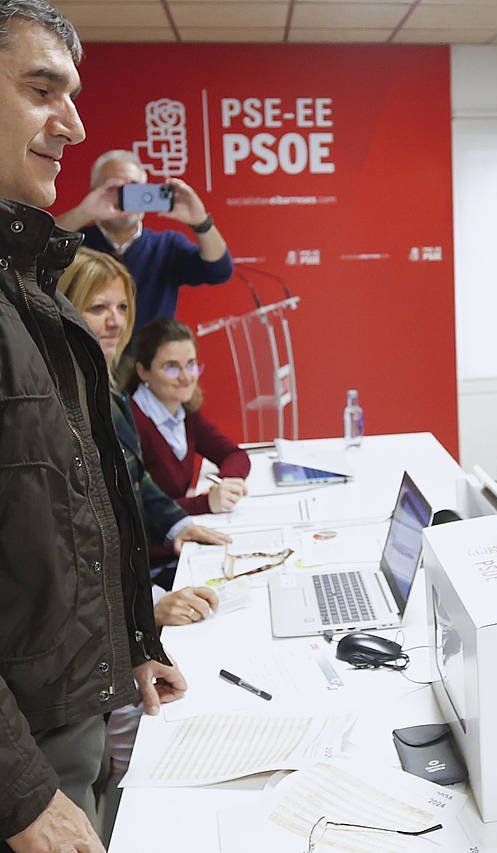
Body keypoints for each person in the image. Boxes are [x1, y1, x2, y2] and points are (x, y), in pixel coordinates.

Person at [0, 3, 187, 851]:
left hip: (72, 734)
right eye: (43, 90)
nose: (72, 123)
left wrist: (134, 638)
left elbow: (70, 516)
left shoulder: (35, 293)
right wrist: (21, 792)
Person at [58, 248, 231, 576]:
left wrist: (178, 523)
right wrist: (149, 603)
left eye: (122, 307)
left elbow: (134, 482)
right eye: (98, 308)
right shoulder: (60, 407)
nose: (117, 322)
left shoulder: (110, 395)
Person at [55, 149, 233, 330]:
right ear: (95, 192)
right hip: (86, 353)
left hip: (148, 354)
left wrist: (201, 222)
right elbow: (33, 248)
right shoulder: (75, 242)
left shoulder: (166, 246)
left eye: (134, 188)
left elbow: (219, 269)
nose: (126, 197)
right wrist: (84, 212)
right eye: (115, 189)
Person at [124, 317, 251, 517]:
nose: (186, 377)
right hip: (156, 544)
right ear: (143, 371)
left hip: (181, 534)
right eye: (171, 367)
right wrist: (206, 502)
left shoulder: (185, 411)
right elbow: (136, 515)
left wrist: (226, 485)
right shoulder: (130, 425)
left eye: (191, 364)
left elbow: (235, 455)